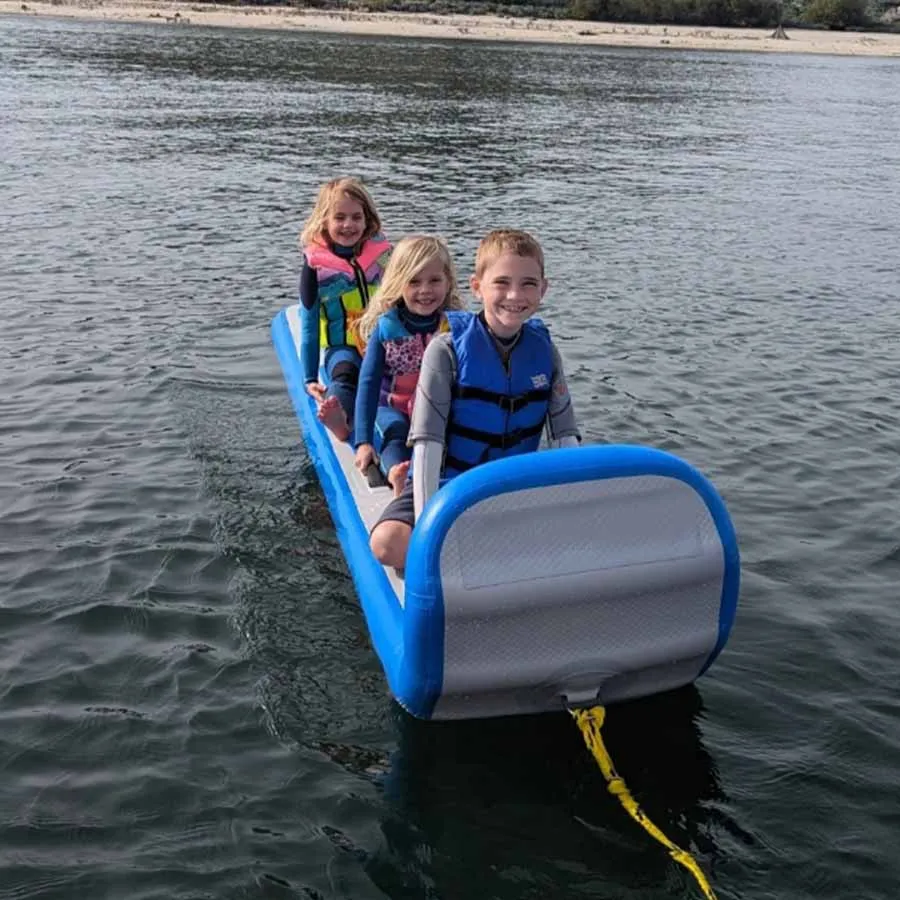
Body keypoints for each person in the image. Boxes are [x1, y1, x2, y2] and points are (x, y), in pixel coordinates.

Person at [369, 228, 581, 571]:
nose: (514, 294)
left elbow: (566, 439)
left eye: (528, 283)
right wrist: (429, 531)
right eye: (501, 282)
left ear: (543, 289)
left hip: (512, 486)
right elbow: (427, 445)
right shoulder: (445, 351)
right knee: (387, 544)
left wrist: (569, 512)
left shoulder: (545, 352)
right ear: (476, 286)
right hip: (448, 485)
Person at [352, 236, 466, 497]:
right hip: (393, 406)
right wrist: (363, 441)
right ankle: (397, 473)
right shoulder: (386, 328)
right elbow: (368, 385)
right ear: (398, 282)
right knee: (396, 434)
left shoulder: (457, 326)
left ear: (448, 282)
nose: (425, 290)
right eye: (414, 281)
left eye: (434, 280)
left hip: (436, 409)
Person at [298, 176, 392, 440]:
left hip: (384, 341)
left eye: (356, 217)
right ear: (324, 221)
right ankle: (339, 417)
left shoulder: (384, 255)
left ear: (367, 219)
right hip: (344, 347)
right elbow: (309, 323)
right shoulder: (315, 266)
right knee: (345, 375)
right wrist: (309, 378)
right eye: (339, 218)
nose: (348, 225)